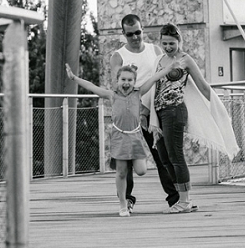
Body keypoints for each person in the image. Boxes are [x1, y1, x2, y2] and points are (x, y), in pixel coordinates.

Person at [66, 61, 179, 217]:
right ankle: (123, 205)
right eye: (123, 80)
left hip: (135, 136)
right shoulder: (112, 95)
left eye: (130, 80)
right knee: (121, 173)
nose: (126, 83)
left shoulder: (138, 93)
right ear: (117, 81)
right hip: (119, 136)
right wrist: (74, 78)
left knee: (141, 170)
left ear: (134, 81)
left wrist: (169, 68)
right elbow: (92, 87)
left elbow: (154, 78)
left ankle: (130, 163)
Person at [109, 14, 182, 212]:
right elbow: (117, 86)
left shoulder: (155, 50)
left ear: (143, 30)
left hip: (154, 112)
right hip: (129, 116)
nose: (135, 37)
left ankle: (175, 199)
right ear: (124, 34)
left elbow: (166, 75)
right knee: (127, 159)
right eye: (130, 33)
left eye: (138, 32)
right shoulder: (118, 56)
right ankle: (127, 200)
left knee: (162, 156)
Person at [149, 23, 211, 214]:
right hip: (159, 112)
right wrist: (150, 114)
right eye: (165, 43)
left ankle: (185, 200)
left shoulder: (186, 59)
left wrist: (216, 107)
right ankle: (181, 198)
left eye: (172, 43)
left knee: (175, 154)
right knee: (164, 156)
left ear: (179, 41)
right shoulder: (159, 59)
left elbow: (202, 85)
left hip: (175, 111)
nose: (168, 47)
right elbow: (154, 86)